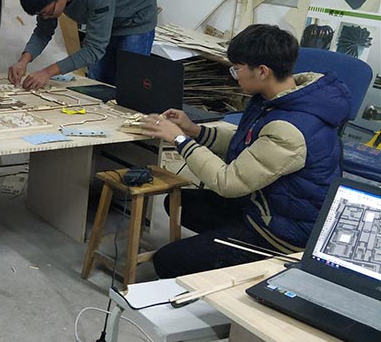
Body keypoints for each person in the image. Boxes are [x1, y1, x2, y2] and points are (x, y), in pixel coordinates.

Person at [138, 24, 351, 278]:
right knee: (183, 205)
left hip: (284, 232)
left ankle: (248, 264)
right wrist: (195, 130)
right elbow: (250, 142)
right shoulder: (282, 98)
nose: (234, 75)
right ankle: (224, 252)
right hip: (269, 204)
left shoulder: (291, 129)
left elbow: (227, 181)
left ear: (262, 71)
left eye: (237, 69)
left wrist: (181, 140)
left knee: (167, 261)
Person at [8, 0, 158, 89]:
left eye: (48, 12)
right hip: (107, 15)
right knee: (98, 83)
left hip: (135, 17)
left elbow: (94, 49)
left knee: (128, 84)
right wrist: (23, 61)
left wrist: (47, 72)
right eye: (40, 14)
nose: (45, 17)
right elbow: (43, 31)